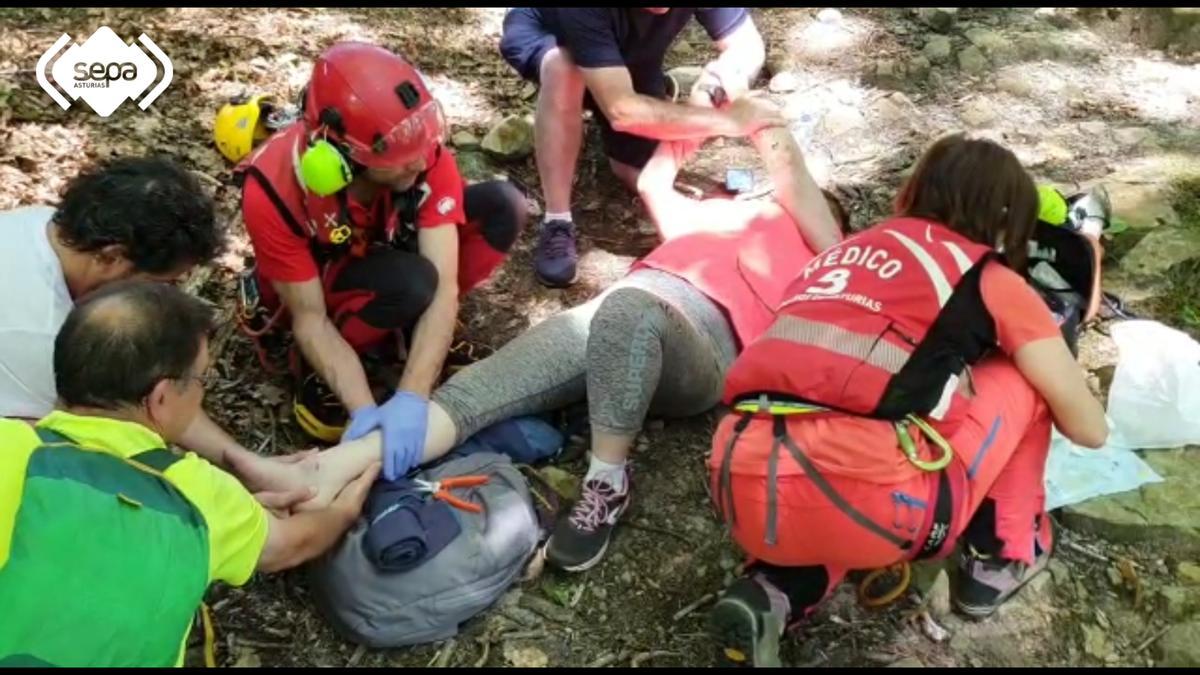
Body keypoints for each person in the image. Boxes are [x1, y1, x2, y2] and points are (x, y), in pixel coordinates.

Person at [231, 95, 846, 576]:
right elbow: (658, 181)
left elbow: (797, 191)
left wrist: (763, 125)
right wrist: (708, 115)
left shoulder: (830, 258)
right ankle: (325, 474)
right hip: (613, 320)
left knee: (630, 309)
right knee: (473, 389)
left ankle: (606, 484)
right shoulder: (710, 216)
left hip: (704, 338)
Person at [703, 134, 1109, 667]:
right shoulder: (986, 277)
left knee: (838, 459)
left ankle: (774, 589)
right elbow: (1089, 429)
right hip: (879, 505)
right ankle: (1001, 555)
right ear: (1009, 221)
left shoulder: (838, 257)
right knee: (1027, 377)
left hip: (744, 485)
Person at [0, 281, 377, 667]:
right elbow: (289, 545)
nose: (203, 392)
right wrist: (344, 511)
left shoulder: (8, 439)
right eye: (202, 380)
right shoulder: (193, 495)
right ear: (161, 399)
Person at [236, 41, 528, 480]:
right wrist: (363, 410)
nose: (419, 162)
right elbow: (310, 318)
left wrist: (413, 394)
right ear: (341, 158)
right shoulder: (273, 192)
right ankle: (335, 368)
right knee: (411, 283)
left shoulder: (420, 152)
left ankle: (409, 333)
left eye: (421, 146)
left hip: (382, 252)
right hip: (320, 285)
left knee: (501, 209)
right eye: (399, 159)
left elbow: (446, 283)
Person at [0, 156, 270, 475]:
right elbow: (77, 448)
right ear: (112, 256)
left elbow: (143, 392)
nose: (160, 298)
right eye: (161, 284)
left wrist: (242, 461)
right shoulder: (39, 334)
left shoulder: (46, 224)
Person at [499, 7, 780, 287]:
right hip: (551, 35)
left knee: (635, 168)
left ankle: (638, 94)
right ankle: (557, 220)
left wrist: (717, 82)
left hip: (627, 55)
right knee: (565, 70)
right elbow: (623, 112)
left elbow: (746, 44)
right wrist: (727, 121)